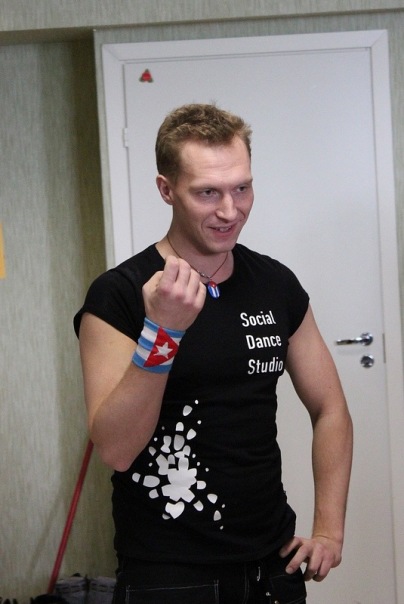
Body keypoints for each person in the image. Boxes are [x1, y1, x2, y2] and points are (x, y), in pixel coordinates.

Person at [74, 103, 353, 603]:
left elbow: (330, 407)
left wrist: (329, 530)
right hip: (170, 572)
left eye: (242, 188)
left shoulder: (275, 283)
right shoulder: (119, 294)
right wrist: (164, 330)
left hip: (273, 562)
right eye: (207, 192)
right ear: (166, 190)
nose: (230, 210)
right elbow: (116, 449)